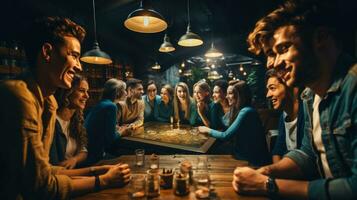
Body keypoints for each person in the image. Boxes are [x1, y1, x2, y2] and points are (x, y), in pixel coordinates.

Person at [233, 0, 357, 199]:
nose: (273, 63)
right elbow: (308, 154)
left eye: (283, 49)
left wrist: (268, 185)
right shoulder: (309, 96)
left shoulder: (353, 88)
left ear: (321, 37)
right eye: (271, 54)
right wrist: (265, 172)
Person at [0, 17, 130, 200]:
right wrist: (103, 181)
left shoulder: (49, 104)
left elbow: (45, 172)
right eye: (74, 55)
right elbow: (40, 186)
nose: (79, 65)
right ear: (47, 52)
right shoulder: (19, 97)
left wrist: (96, 170)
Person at [199, 80, 271, 166]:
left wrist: (207, 130)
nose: (226, 96)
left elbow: (225, 135)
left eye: (230, 93)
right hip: (241, 155)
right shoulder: (238, 110)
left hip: (254, 162)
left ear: (239, 95)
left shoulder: (246, 111)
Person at [85, 78, 130, 165]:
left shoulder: (102, 103)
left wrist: (116, 129)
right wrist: (122, 131)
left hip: (88, 150)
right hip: (95, 156)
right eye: (124, 90)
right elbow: (111, 138)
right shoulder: (111, 106)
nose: (126, 93)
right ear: (117, 92)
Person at [50, 74, 89, 169]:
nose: (87, 96)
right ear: (67, 92)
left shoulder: (75, 119)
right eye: (81, 91)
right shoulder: (52, 122)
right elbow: (54, 166)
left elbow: (83, 151)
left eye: (87, 91)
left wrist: (74, 159)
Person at [266, 69, 304, 163]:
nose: (268, 95)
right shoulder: (283, 116)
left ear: (289, 86)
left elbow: (306, 157)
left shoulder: (305, 112)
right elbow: (277, 150)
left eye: (273, 88)